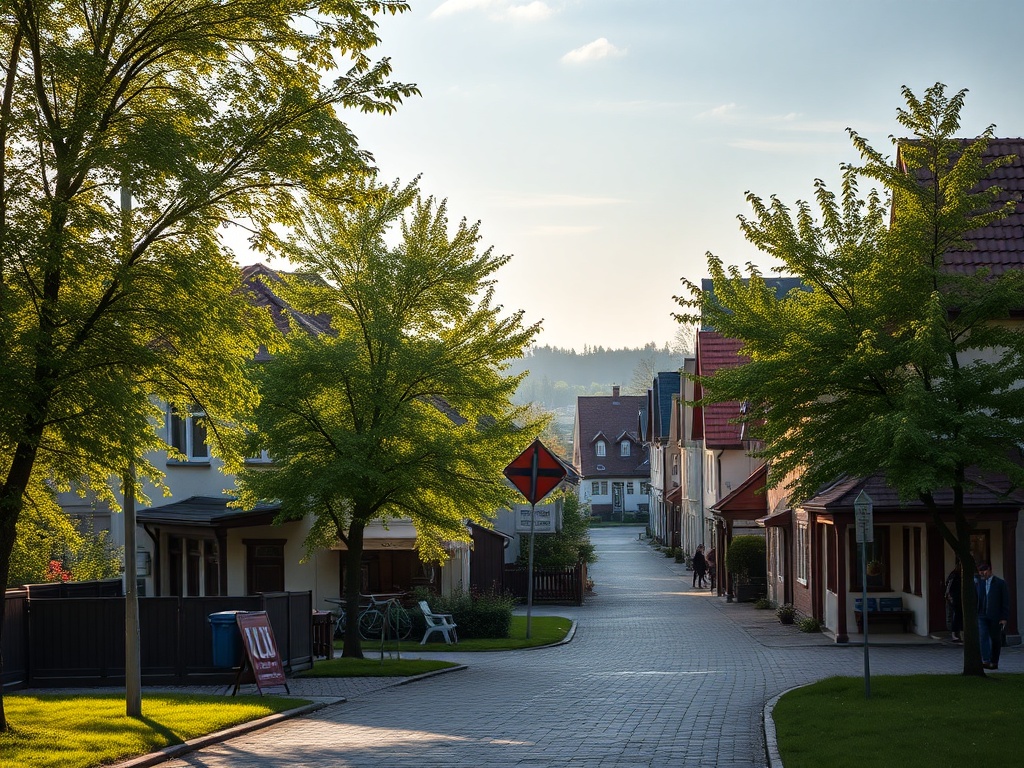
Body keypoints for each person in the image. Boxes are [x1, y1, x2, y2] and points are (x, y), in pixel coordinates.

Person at [975, 562, 1010, 670]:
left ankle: (994, 661)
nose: (983, 574)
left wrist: (1004, 617)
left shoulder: (1000, 583)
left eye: (984, 571)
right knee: (983, 636)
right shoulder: (978, 583)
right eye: (981, 572)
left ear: (989, 570)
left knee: (995, 638)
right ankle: (986, 660)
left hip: (995, 615)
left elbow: (1005, 601)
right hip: (981, 614)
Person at [944, 560, 962, 642]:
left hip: (958, 598)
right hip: (954, 598)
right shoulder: (954, 575)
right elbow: (948, 586)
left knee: (958, 616)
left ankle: (956, 633)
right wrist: (949, 596)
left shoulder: (959, 575)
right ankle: (953, 633)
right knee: (954, 616)